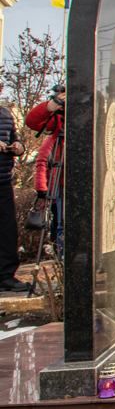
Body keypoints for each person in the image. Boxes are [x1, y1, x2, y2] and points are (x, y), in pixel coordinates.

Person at [25, 87, 65, 254]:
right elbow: (32, 122)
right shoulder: (59, 125)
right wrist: (53, 105)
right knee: (62, 223)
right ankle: (64, 258)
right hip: (62, 184)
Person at [0, 101, 28, 292]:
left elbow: (16, 137)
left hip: (3, 180)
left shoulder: (5, 113)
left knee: (7, 230)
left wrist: (19, 146)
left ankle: (6, 276)